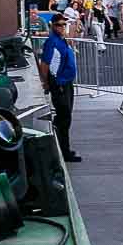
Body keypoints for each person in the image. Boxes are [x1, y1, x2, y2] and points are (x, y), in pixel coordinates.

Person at [40, 16, 84, 162]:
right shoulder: (52, 42)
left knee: (65, 118)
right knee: (63, 118)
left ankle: (61, 149)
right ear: (53, 26)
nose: (62, 27)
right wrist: (46, 83)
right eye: (59, 25)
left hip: (66, 84)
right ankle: (63, 152)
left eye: (64, 25)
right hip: (59, 85)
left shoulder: (62, 39)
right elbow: (45, 64)